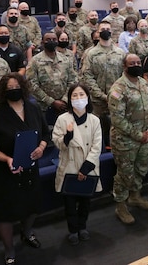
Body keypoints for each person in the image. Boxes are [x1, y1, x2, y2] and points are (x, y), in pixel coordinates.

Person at [0, 72, 50, 264]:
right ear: (3, 92)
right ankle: (9, 250)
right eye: (9, 89)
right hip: (3, 173)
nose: (14, 91)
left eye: (16, 87)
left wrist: (42, 147)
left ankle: (27, 233)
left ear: (23, 88)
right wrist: (7, 159)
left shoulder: (34, 109)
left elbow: (45, 134)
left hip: (29, 168)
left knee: (31, 204)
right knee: (5, 212)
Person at [108, 54, 148, 224]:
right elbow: (117, 119)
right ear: (125, 66)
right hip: (125, 140)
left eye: (138, 63)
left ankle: (135, 197)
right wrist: (139, 135)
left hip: (145, 137)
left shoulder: (144, 83)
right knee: (124, 174)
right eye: (132, 63)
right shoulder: (118, 88)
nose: (136, 65)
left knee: (140, 169)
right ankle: (121, 206)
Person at [53, 83, 103, 245]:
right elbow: (57, 143)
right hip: (69, 167)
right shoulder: (62, 119)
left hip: (87, 168)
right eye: (74, 95)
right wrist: (67, 136)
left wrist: (86, 168)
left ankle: (82, 227)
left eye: (81, 95)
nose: (78, 98)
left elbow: (97, 146)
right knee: (69, 203)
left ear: (88, 98)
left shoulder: (94, 120)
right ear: (69, 99)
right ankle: (73, 230)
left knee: (85, 202)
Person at [80, 21, 126, 145]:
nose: (105, 30)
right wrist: (101, 95)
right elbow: (87, 76)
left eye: (108, 28)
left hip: (116, 99)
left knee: (116, 134)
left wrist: (115, 94)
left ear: (111, 32)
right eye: (103, 29)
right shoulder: (91, 54)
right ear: (98, 32)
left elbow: (124, 75)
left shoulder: (120, 53)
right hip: (97, 102)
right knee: (96, 136)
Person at [26, 32, 78, 124]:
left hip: (64, 106)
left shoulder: (65, 59)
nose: (51, 41)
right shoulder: (35, 61)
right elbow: (31, 85)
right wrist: (51, 102)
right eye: (48, 40)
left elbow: (73, 80)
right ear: (42, 42)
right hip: (43, 107)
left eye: (54, 40)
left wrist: (64, 100)